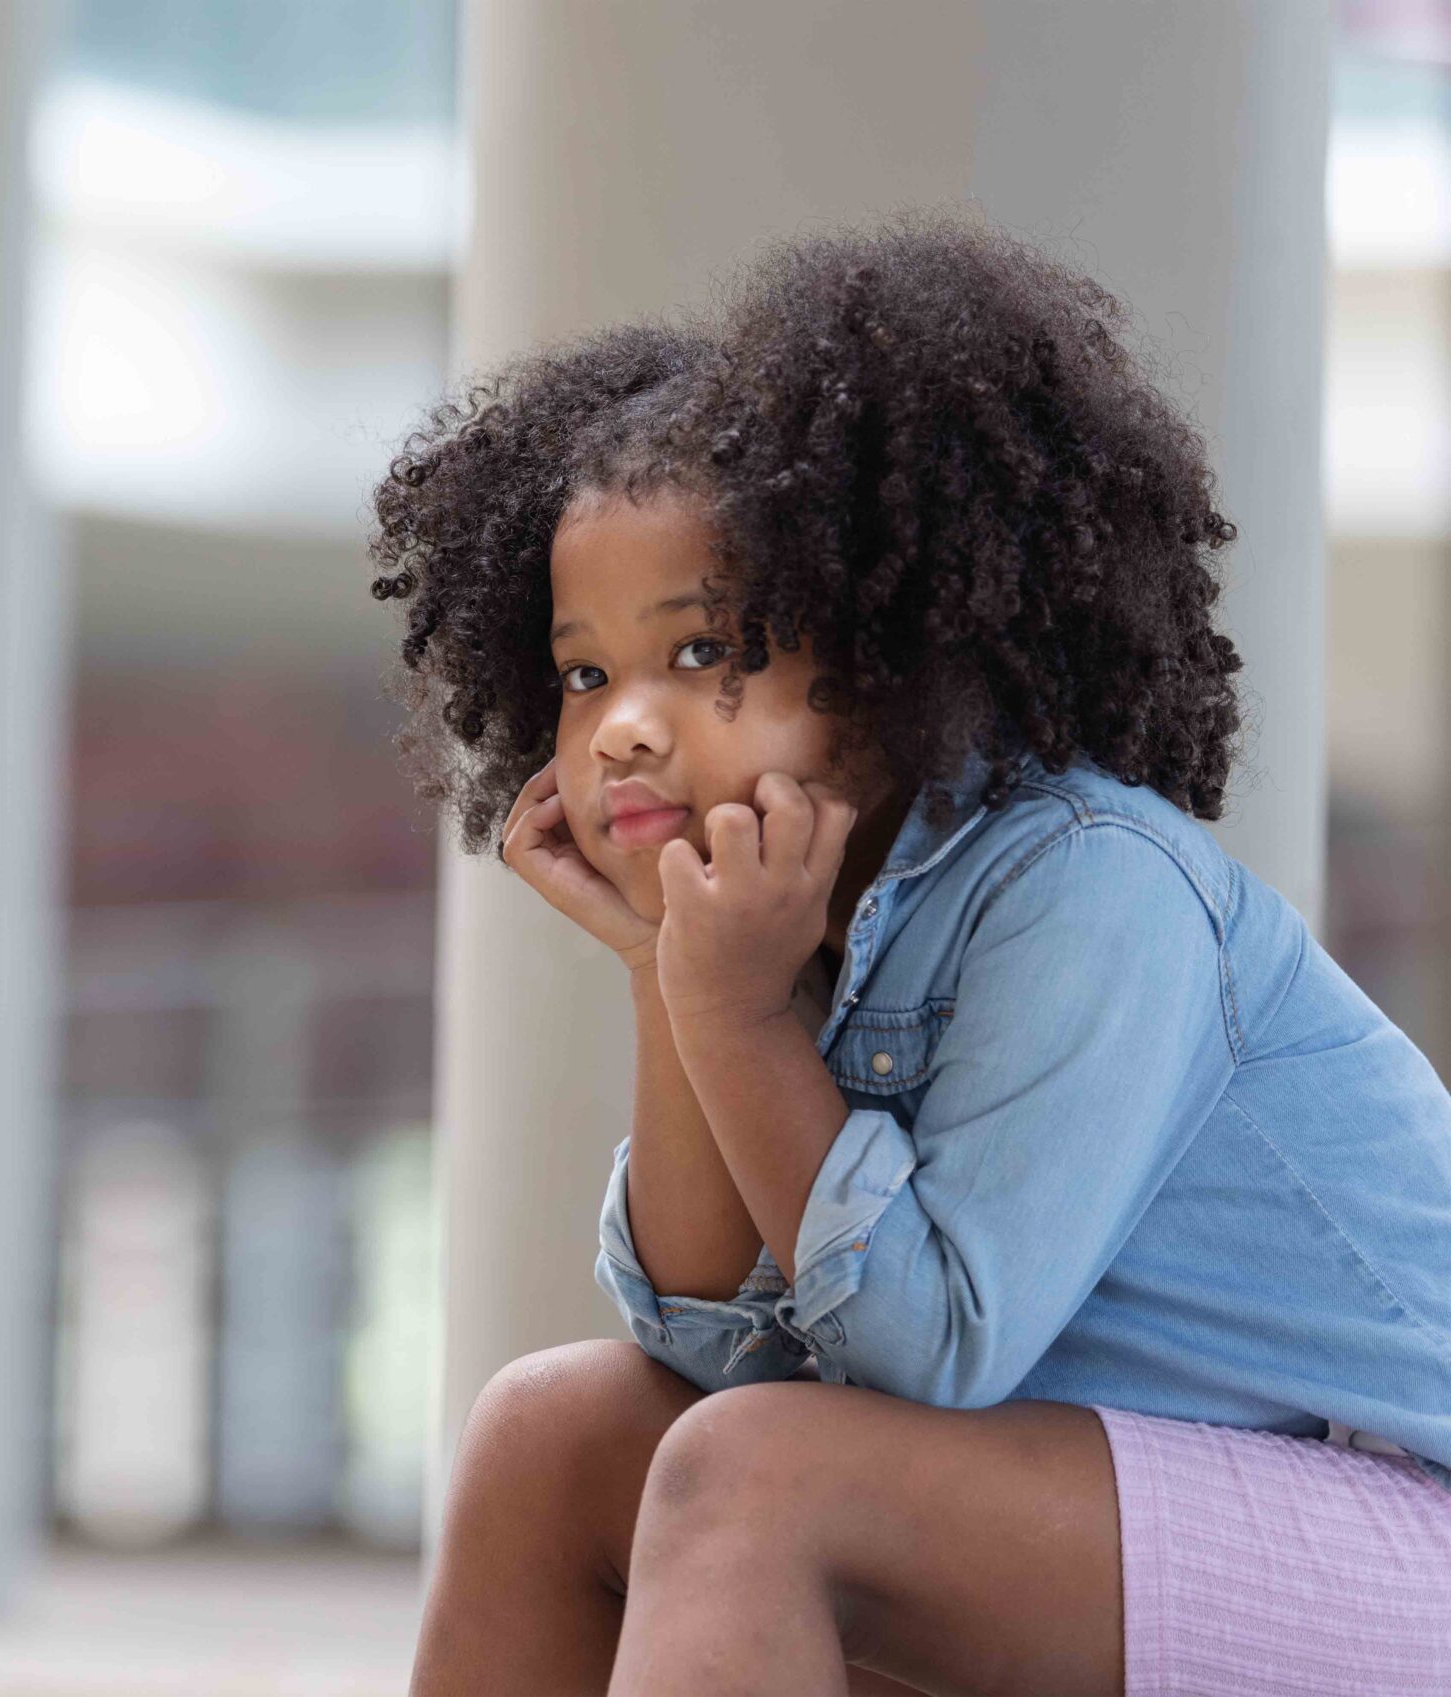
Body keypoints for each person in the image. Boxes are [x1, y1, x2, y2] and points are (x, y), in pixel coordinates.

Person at [367, 209, 1451, 1696]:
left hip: (1407, 1520)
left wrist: (733, 1018)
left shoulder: (1094, 886)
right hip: (1175, 1492)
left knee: (763, 1477)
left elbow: (926, 1350)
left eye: (700, 651)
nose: (622, 720)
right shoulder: (801, 918)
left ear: (880, 653)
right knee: (552, 1430)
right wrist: (664, 973)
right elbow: (706, 1332)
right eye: (583, 669)